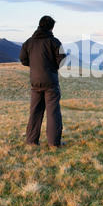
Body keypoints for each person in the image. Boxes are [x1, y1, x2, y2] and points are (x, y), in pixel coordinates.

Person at [20, 15, 66, 148]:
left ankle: (32, 141)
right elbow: (62, 60)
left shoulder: (28, 42)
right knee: (53, 113)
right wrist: (51, 66)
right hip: (50, 82)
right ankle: (54, 143)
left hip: (35, 82)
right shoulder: (55, 42)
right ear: (52, 27)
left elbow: (23, 59)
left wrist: (35, 66)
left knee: (35, 112)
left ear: (39, 25)